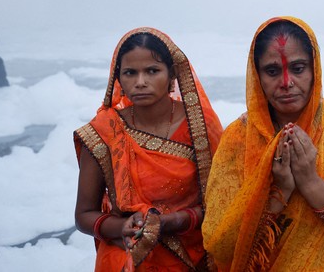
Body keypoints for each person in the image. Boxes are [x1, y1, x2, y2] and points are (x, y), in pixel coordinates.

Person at [202, 17, 324, 271]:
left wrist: (311, 183)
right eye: (272, 71)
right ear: (257, 75)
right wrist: (279, 193)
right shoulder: (238, 139)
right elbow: (219, 245)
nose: (287, 82)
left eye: (298, 68)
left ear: (315, 70)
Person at [74, 27, 223, 271]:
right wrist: (120, 227)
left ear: (172, 75)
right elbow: (84, 215)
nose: (140, 82)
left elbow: (223, 202)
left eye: (152, 71)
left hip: (194, 255)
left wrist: (175, 221)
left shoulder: (200, 124)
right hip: (128, 254)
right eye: (130, 73)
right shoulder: (104, 131)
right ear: (118, 78)